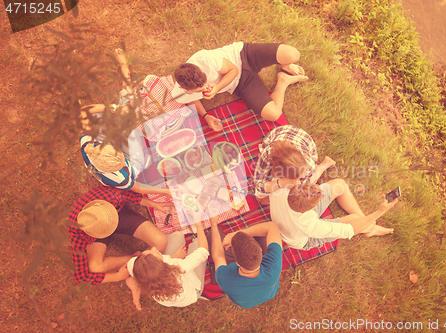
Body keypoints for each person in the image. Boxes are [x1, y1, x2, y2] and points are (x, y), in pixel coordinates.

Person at [79, 49, 173, 196]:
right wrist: (167, 192)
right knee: (127, 118)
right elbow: (140, 189)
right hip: (133, 164)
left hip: (102, 143)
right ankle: (126, 83)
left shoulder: (88, 142)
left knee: (119, 111)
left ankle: (125, 72)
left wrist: (113, 109)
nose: (123, 159)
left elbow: (84, 111)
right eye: (122, 161)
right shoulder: (120, 178)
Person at [172, 42, 308, 124]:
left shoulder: (206, 59)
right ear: (187, 89)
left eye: (205, 82)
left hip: (243, 54)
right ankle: (283, 81)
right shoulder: (181, 92)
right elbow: (190, 100)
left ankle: (285, 65)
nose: (206, 87)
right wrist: (206, 117)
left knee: (292, 54)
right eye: (200, 89)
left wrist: (218, 87)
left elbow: (233, 70)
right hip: (241, 83)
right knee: (273, 114)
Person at [68, 185, 173, 285]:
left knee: (160, 242)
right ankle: (137, 260)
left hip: (119, 214)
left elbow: (130, 195)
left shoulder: (110, 196)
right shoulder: (76, 234)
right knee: (95, 267)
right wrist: (117, 276)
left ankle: (140, 261)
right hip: (96, 232)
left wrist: (154, 204)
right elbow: (81, 277)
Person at [269, 181, 397, 250]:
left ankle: (367, 225)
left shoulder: (283, 185)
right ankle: (370, 229)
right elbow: (349, 230)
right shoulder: (310, 226)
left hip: (290, 216)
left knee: (340, 184)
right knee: (355, 220)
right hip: (303, 239)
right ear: (312, 209)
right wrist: (380, 211)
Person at [125, 220, 209, 309]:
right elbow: (203, 252)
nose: (153, 248)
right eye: (155, 253)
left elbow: (130, 264)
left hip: (171, 295)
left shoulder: (138, 268)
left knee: (177, 235)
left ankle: (134, 285)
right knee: (198, 243)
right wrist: (198, 224)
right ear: (161, 264)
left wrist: (174, 256)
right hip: (193, 292)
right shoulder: (178, 267)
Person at [210, 216, 283, 308]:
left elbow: (218, 256)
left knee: (212, 235)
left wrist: (213, 224)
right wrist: (239, 235)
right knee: (263, 231)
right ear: (260, 249)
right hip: (269, 293)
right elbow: (272, 227)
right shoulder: (274, 266)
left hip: (245, 302)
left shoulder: (224, 277)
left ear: (237, 262)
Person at [253, 125, 335, 204]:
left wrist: (299, 185)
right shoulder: (268, 153)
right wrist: (280, 183)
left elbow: (305, 184)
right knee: (260, 198)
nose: (302, 176)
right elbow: (258, 183)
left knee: (305, 185)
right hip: (280, 133)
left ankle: (324, 165)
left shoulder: (308, 166)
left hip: (305, 141)